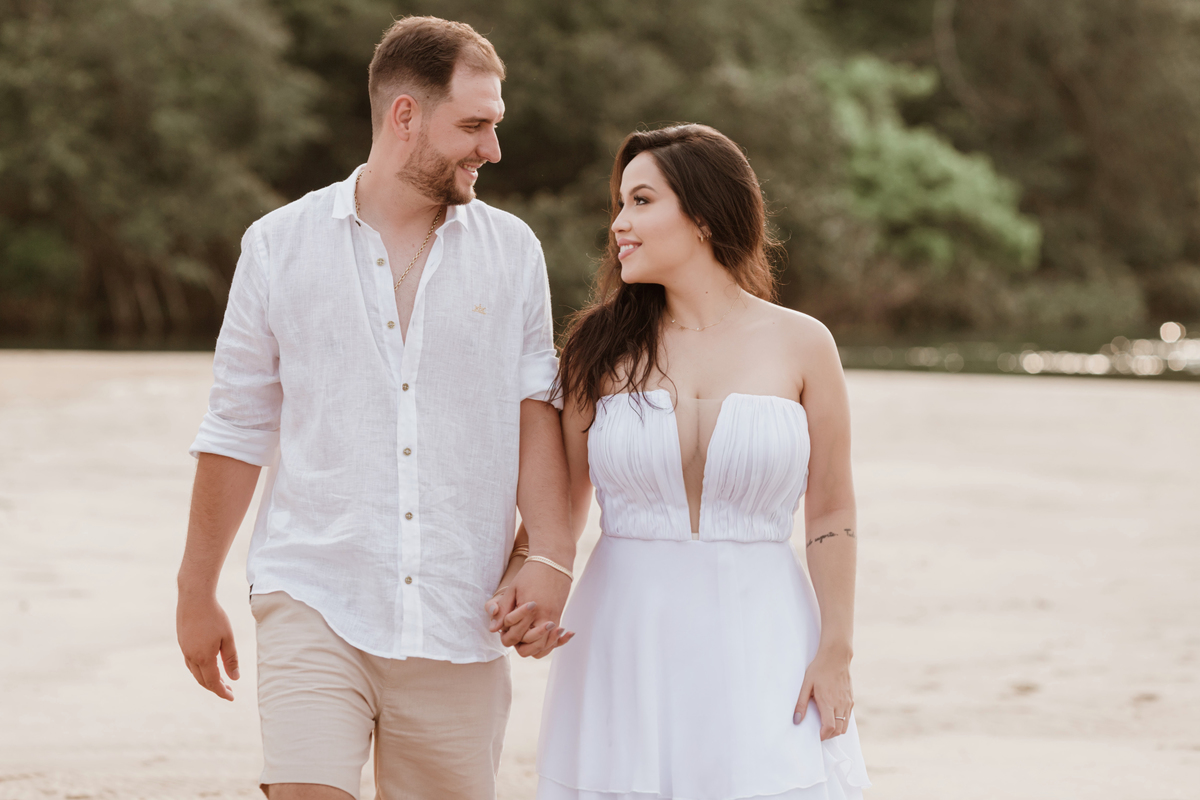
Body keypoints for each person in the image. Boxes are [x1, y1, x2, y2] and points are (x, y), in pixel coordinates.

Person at [175, 16, 575, 800]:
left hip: (460, 610)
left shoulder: (513, 252)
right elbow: (237, 426)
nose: (492, 149)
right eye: (475, 126)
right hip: (313, 592)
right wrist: (196, 590)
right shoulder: (278, 245)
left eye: (494, 126)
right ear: (405, 116)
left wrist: (550, 556)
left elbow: (536, 415)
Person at [502, 124, 872, 799]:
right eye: (620, 204)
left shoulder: (803, 344)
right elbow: (564, 506)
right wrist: (528, 581)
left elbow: (831, 510)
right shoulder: (596, 348)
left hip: (767, 633)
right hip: (625, 634)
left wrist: (836, 650)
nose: (619, 223)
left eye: (641, 201)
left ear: (703, 215)